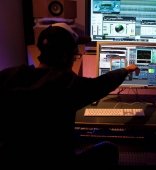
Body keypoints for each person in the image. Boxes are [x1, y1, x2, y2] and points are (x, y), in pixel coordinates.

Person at [0, 23, 140, 169]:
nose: (75, 59)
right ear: (64, 57)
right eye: (74, 55)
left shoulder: (8, 77)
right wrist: (125, 70)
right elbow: (100, 85)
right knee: (109, 149)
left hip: (11, 161)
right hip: (58, 163)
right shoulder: (65, 84)